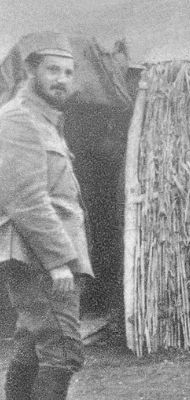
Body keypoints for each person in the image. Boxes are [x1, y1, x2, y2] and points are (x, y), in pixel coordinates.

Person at [0, 31, 94, 399]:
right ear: (30, 70)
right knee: (63, 351)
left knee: (32, 348)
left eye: (69, 73)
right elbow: (25, 198)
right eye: (53, 70)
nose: (62, 80)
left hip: (42, 253)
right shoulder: (18, 119)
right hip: (38, 256)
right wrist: (58, 262)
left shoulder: (44, 120)